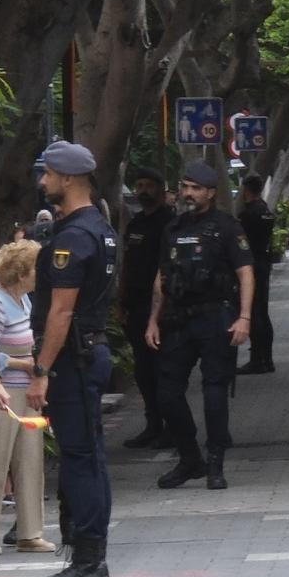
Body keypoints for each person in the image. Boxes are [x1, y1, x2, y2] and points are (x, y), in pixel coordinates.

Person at [29, 142, 118, 577]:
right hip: (90, 353)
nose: (43, 182)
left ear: (67, 178)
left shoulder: (72, 236)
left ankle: (87, 563)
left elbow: (61, 312)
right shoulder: (98, 228)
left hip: (73, 359)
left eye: (47, 175)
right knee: (90, 457)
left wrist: (41, 368)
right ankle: (89, 557)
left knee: (80, 459)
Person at [146, 162, 253, 492]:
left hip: (216, 317)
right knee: (166, 394)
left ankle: (216, 463)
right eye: (185, 186)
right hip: (178, 318)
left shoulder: (226, 227)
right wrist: (153, 319)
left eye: (195, 188)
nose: (188, 193)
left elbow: (246, 273)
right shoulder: (173, 228)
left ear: (210, 192)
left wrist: (244, 317)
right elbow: (162, 277)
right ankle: (191, 458)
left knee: (214, 393)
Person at [0, 239, 53, 557]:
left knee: (30, 461)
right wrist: (22, 364)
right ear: (21, 273)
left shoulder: (25, 302)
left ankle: (30, 532)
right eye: (35, 268)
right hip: (0, 392)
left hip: (26, 392)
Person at [113, 171, 174, 456]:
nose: (143, 190)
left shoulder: (169, 223)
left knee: (163, 369)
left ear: (161, 189)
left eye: (149, 185)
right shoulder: (136, 224)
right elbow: (127, 264)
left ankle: (171, 426)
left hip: (162, 308)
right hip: (136, 305)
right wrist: (120, 301)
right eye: (139, 185)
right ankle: (152, 424)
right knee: (143, 370)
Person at [236, 182, 279, 374]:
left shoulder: (248, 214)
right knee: (263, 310)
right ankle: (267, 358)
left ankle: (257, 359)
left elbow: (242, 241)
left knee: (254, 311)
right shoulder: (266, 211)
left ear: (246, 190)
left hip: (251, 263)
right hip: (264, 261)